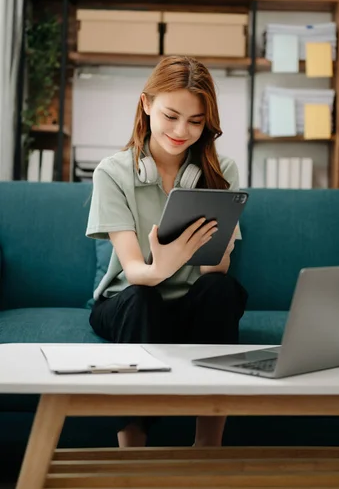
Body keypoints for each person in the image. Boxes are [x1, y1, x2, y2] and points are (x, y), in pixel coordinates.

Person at [86, 55, 248, 448]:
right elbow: (136, 272)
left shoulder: (221, 169)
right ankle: (133, 445)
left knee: (223, 291)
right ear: (146, 104)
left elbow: (217, 273)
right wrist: (168, 260)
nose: (181, 131)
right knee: (142, 297)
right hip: (130, 302)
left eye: (195, 122)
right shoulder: (112, 172)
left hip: (189, 306)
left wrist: (216, 250)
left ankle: (208, 444)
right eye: (170, 116)